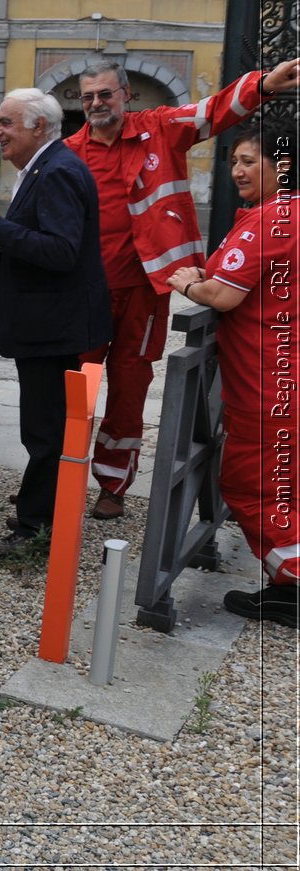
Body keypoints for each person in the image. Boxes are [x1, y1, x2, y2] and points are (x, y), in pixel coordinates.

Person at [65, 58, 300, 520]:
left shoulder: (160, 128)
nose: (96, 103)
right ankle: (60, 477)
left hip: (146, 290)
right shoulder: (70, 151)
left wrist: (264, 85)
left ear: (126, 95)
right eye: (88, 96)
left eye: (105, 94)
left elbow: (214, 111)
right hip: (87, 293)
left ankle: (112, 483)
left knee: (130, 390)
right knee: (77, 386)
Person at [0, 89, 112, 554]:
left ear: (39, 127)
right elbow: (45, 241)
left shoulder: (57, 172)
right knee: (43, 428)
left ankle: (35, 531)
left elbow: (62, 251)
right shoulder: (47, 167)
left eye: (7, 123)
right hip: (48, 328)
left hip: (53, 330)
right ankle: (39, 508)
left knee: (45, 432)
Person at [167, 124, 297, 627]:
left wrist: (186, 284)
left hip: (266, 388)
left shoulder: (265, 222)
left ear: (279, 167)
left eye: (249, 160)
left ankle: (294, 580)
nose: (238, 171)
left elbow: (222, 294)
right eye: (234, 162)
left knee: (249, 486)